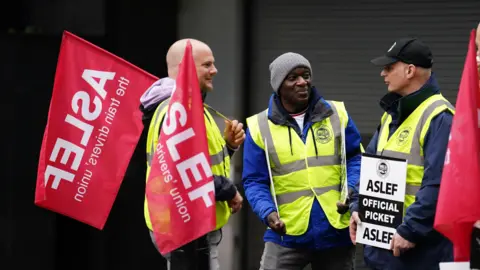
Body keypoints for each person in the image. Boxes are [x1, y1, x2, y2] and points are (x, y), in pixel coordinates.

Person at [242, 52, 363, 270]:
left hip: (334, 230)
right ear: (279, 86)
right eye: (293, 78)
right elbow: (254, 180)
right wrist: (267, 212)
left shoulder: (337, 114)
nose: (302, 82)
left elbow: (356, 159)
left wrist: (351, 191)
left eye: (306, 75)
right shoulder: (259, 127)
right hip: (286, 232)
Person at [349, 38, 455, 270]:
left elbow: (439, 184)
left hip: (418, 251)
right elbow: (370, 168)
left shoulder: (440, 117)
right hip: (381, 252)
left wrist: (411, 230)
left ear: (409, 70)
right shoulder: (391, 115)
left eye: (389, 67)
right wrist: (357, 206)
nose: (383, 74)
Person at [140, 38, 245, 270]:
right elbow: (182, 175)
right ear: (184, 67)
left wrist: (229, 146)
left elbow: (197, 164)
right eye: (206, 65)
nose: (214, 70)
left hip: (191, 225)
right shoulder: (178, 112)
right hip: (187, 228)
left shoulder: (189, 107)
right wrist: (229, 191)